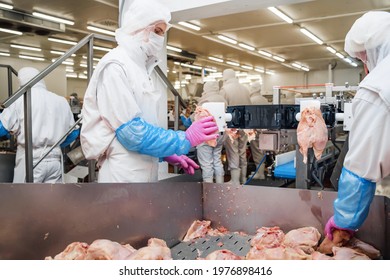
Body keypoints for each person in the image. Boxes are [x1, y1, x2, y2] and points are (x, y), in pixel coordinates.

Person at [80, 0, 218, 183]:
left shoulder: (140, 69)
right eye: (157, 31)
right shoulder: (116, 66)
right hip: (123, 173)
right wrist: (184, 139)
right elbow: (131, 133)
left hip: (142, 168)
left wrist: (166, 154)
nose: (160, 39)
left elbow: (143, 126)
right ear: (139, 28)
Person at [323, 11, 390, 245]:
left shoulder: (377, 86)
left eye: (363, 56)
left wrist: (343, 222)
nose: (365, 63)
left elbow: (359, 172)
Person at [0, 67, 78, 183]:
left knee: (26, 198)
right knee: (51, 198)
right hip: (54, 158)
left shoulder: (20, 99)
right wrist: (53, 145)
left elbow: (2, 129)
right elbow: (73, 133)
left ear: (21, 81)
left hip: (30, 158)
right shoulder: (61, 101)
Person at [219, 69, 252, 184]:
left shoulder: (225, 89)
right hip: (245, 124)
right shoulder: (245, 89)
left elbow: (221, 108)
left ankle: (235, 180)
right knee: (242, 150)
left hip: (231, 125)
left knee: (233, 151)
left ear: (225, 76)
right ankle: (244, 178)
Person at [196, 81, 227, 183]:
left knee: (206, 163)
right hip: (221, 134)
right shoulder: (223, 99)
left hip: (207, 135)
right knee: (217, 160)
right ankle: (220, 186)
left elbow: (197, 118)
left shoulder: (205, 100)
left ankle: (208, 189)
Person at [248, 81, 268, 179]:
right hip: (265, 128)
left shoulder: (251, 100)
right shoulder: (264, 99)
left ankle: (260, 174)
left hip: (255, 129)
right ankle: (260, 172)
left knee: (256, 151)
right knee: (262, 150)